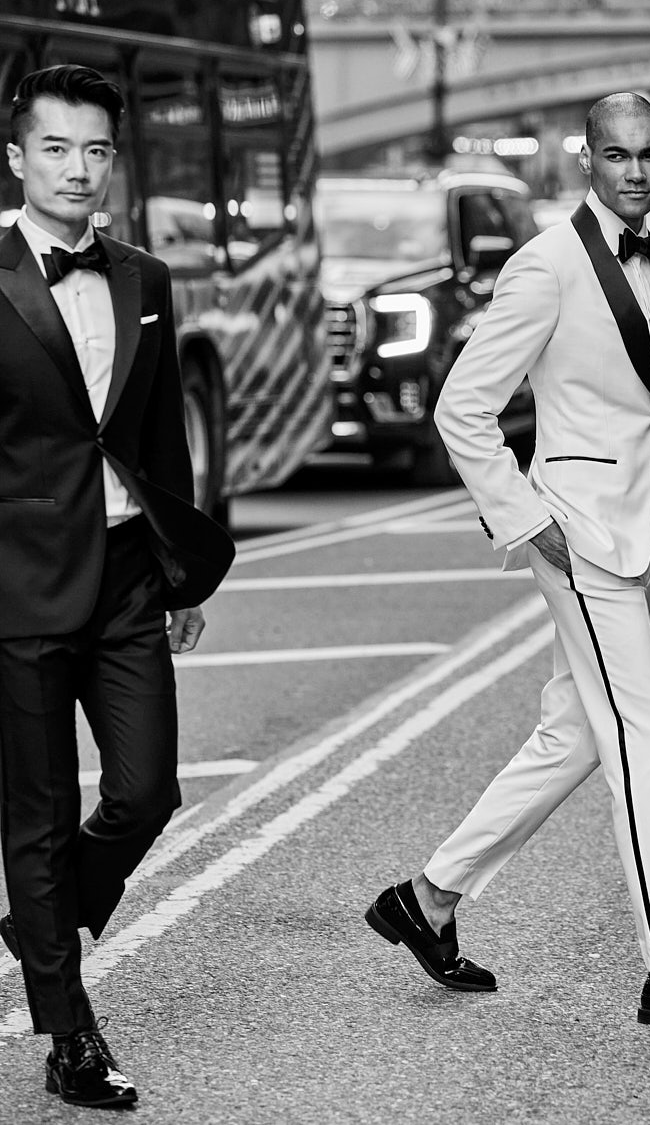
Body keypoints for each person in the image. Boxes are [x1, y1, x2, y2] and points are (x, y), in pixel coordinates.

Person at [366, 92, 650, 1035]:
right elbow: (462, 407)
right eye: (616, 155)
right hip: (576, 535)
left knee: (577, 734)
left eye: (649, 154)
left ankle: (426, 899)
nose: (635, 172)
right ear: (586, 159)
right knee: (644, 730)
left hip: (643, 536)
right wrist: (522, 516)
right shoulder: (545, 265)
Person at [0, 65, 234, 1107]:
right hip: (18, 583)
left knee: (146, 791)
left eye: (96, 149)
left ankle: (41, 921)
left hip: (131, 571)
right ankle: (70, 1037)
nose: (77, 169)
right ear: (17, 157)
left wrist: (184, 573)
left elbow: (155, 436)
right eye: (56, 148)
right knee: (39, 818)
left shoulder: (144, 277)